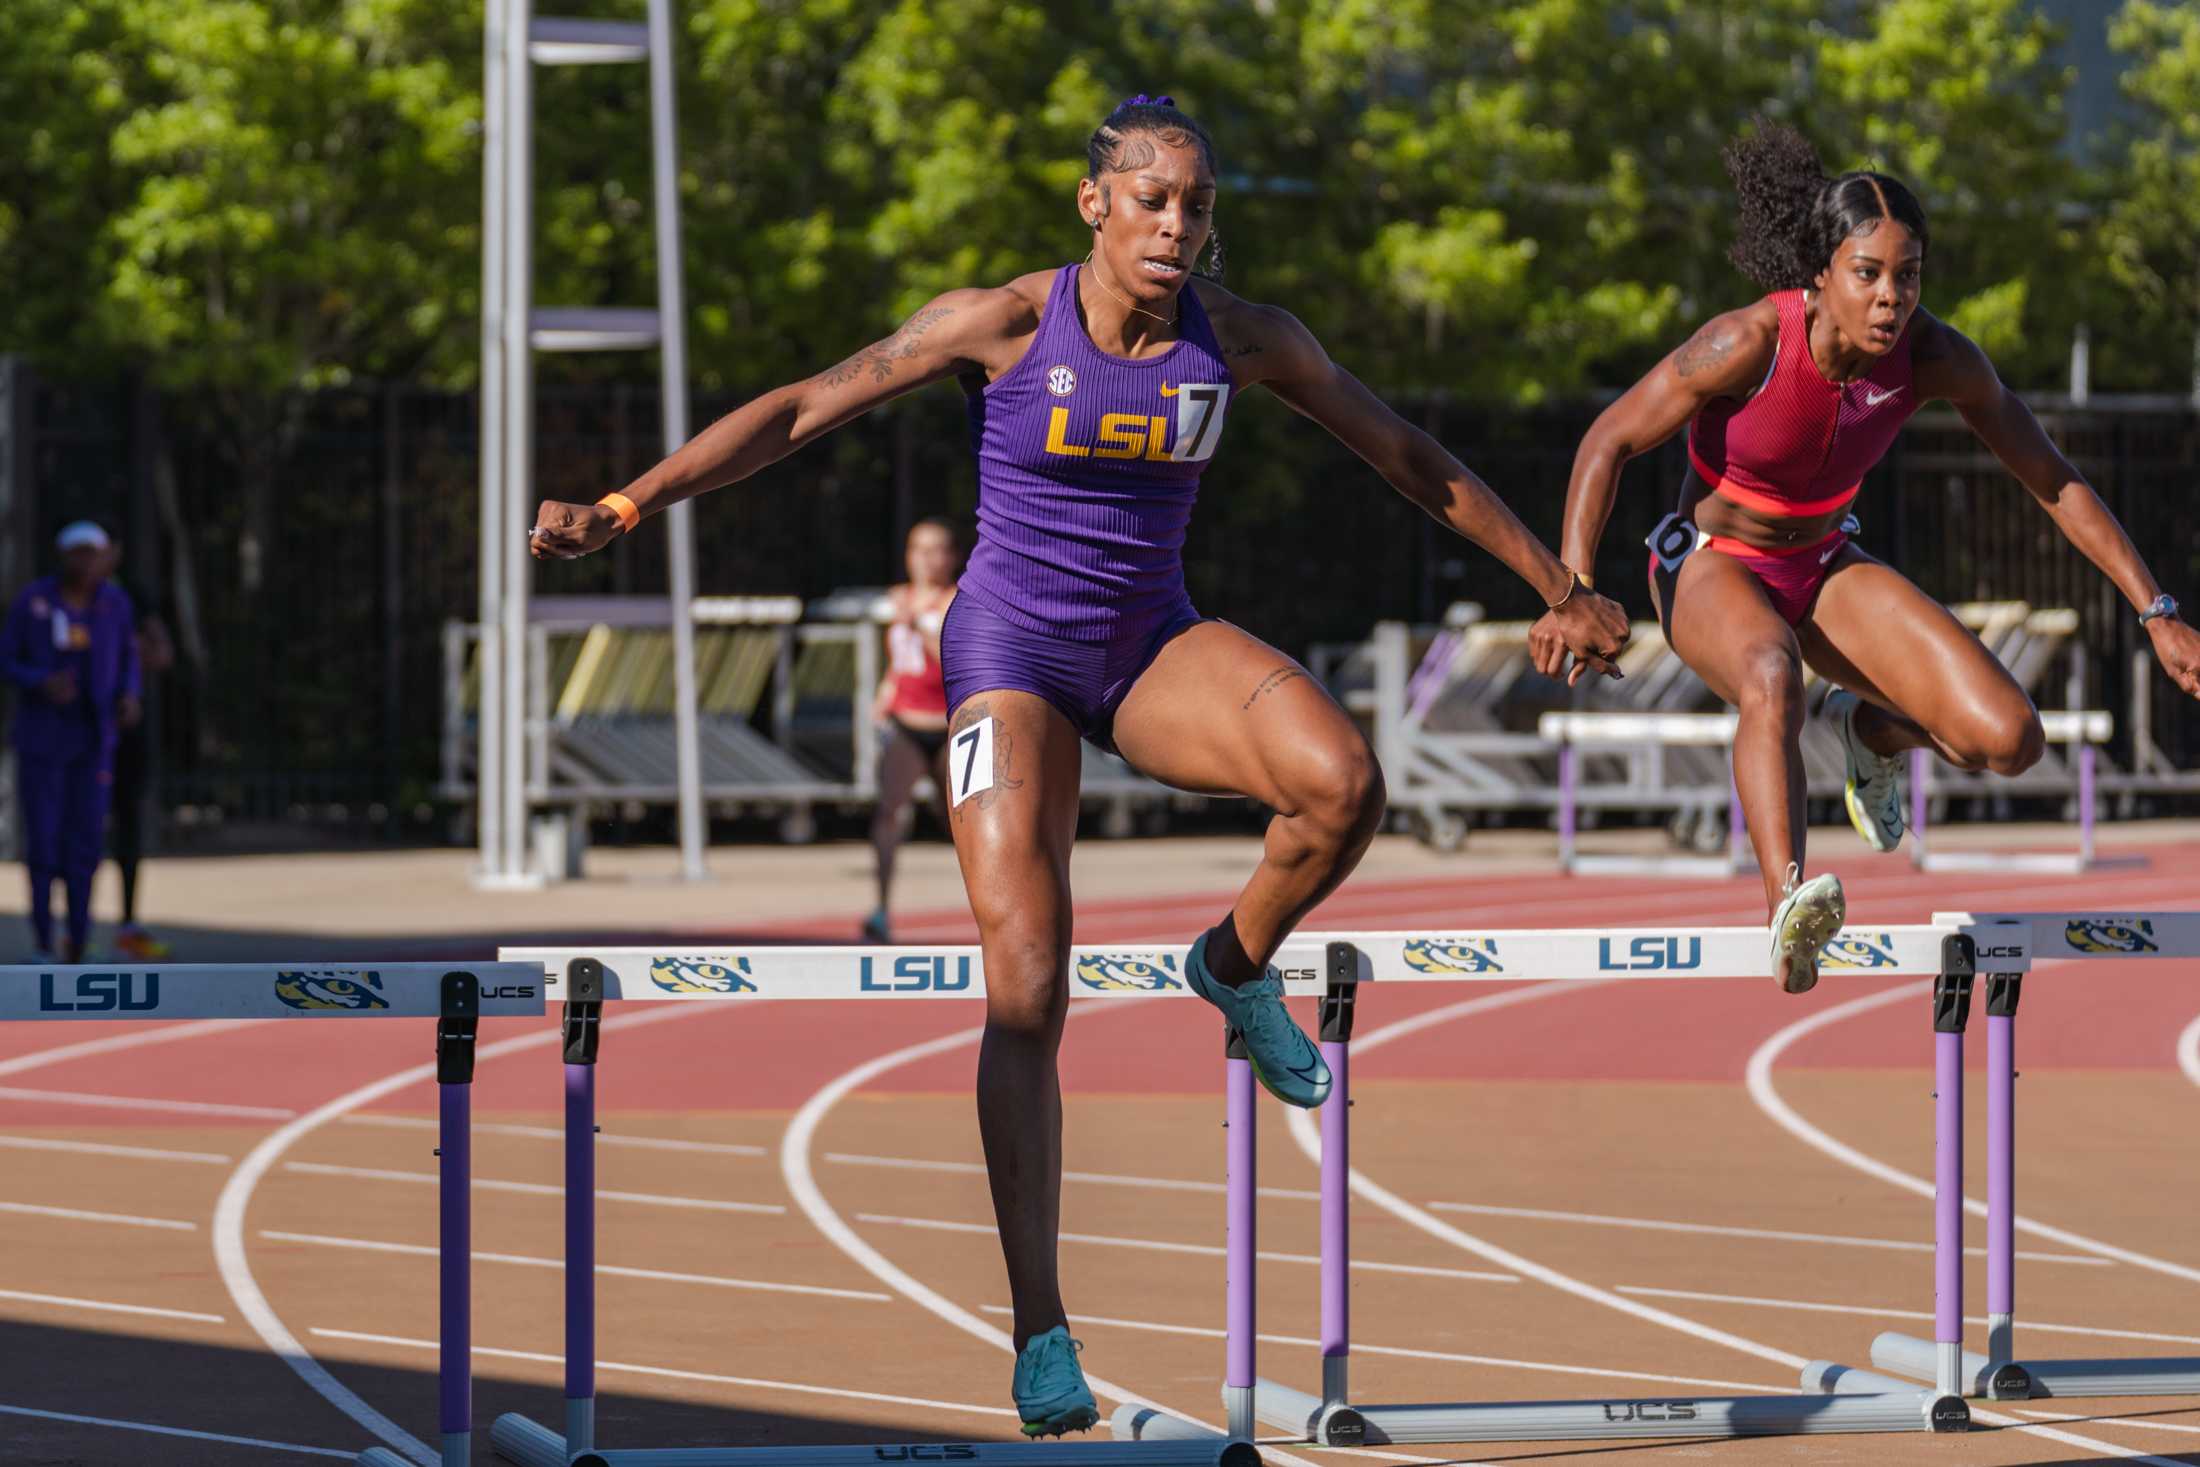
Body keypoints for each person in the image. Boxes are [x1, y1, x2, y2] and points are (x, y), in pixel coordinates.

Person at [532, 94, 1629, 1432]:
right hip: (1008, 655)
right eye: (1153, 198)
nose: (1178, 224)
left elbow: (1409, 455)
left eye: (1198, 204)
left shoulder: (1246, 341)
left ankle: (1231, 962)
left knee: (1344, 781)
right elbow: (806, 406)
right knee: (1030, 980)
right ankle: (1042, 1327)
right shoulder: (999, 321)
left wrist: (1560, 582)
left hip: (1149, 641)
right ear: (1094, 206)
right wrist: (626, 505)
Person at [1531, 120, 2200, 994]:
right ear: (1820, 274)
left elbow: (2053, 479)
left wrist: (2157, 610)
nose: (1892, 297)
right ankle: (1788, 905)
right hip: (1710, 562)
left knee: (2009, 738)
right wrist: (1572, 587)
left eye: (1909, 275)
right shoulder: (1747, 343)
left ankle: (1868, 729)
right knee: (1772, 672)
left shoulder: (1935, 358)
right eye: (1869, 273)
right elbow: (1608, 439)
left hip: (1822, 563)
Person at [3, 522, 142, 962]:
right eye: (77, 553)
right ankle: (44, 939)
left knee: (85, 843)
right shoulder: (35, 601)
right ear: (63, 555)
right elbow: (7, 658)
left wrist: (129, 695)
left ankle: (79, 939)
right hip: (43, 740)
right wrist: (41, 680)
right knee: (43, 841)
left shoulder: (114, 602)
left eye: (92, 553)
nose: (85, 562)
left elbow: (128, 657)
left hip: (93, 738)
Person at [864, 517, 961, 944]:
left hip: (948, 728)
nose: (925, 559)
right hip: (905, 724)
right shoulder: (896, 601)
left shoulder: (956, 602)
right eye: (917, 549)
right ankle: (881, 910)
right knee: (888, 813)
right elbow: (900, 662)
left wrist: (918, 625)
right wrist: (884, 692)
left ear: (950, 557)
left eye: (934, 549)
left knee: (961, 825)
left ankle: (995, 911)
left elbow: (951, 661)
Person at [107, 537, 176, 959]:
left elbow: (162, 652)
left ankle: (129, 925)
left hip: (125, 731)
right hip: (75, 735)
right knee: (70, 836)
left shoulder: (132, 595)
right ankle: (67, 933)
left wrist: (134, 650)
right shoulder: (53, 593)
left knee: (128, 823)